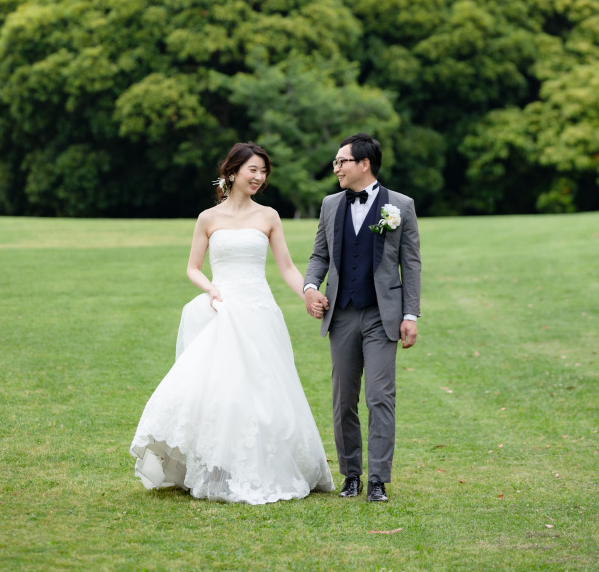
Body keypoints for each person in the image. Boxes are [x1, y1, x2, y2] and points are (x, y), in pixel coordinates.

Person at [130, 141, 334, 504]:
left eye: (263, 171)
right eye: (253, 169)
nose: (259, 177)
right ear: (233, 172)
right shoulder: (208, 219)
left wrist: (307, 290)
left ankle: (265, 467)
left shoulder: (269, 216)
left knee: (264, 389)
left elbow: (286, 266)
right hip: (222, 308)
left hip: (259, 310)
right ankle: (214, 465)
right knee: (219, 387)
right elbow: (192, 267)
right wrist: (210, 288)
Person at [303, 132, 421, 503]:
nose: (336, 168)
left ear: (364, 164)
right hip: (341, 314)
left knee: (379, 397)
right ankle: (351, 474)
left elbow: (411, 264)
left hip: (382, 316)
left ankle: (378, 480)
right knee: (343, 400)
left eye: (342, 161)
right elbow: (319, 255)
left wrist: (410, 314)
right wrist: (310, 287)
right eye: (336, 162)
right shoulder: (330, 204)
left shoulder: (401, 205)